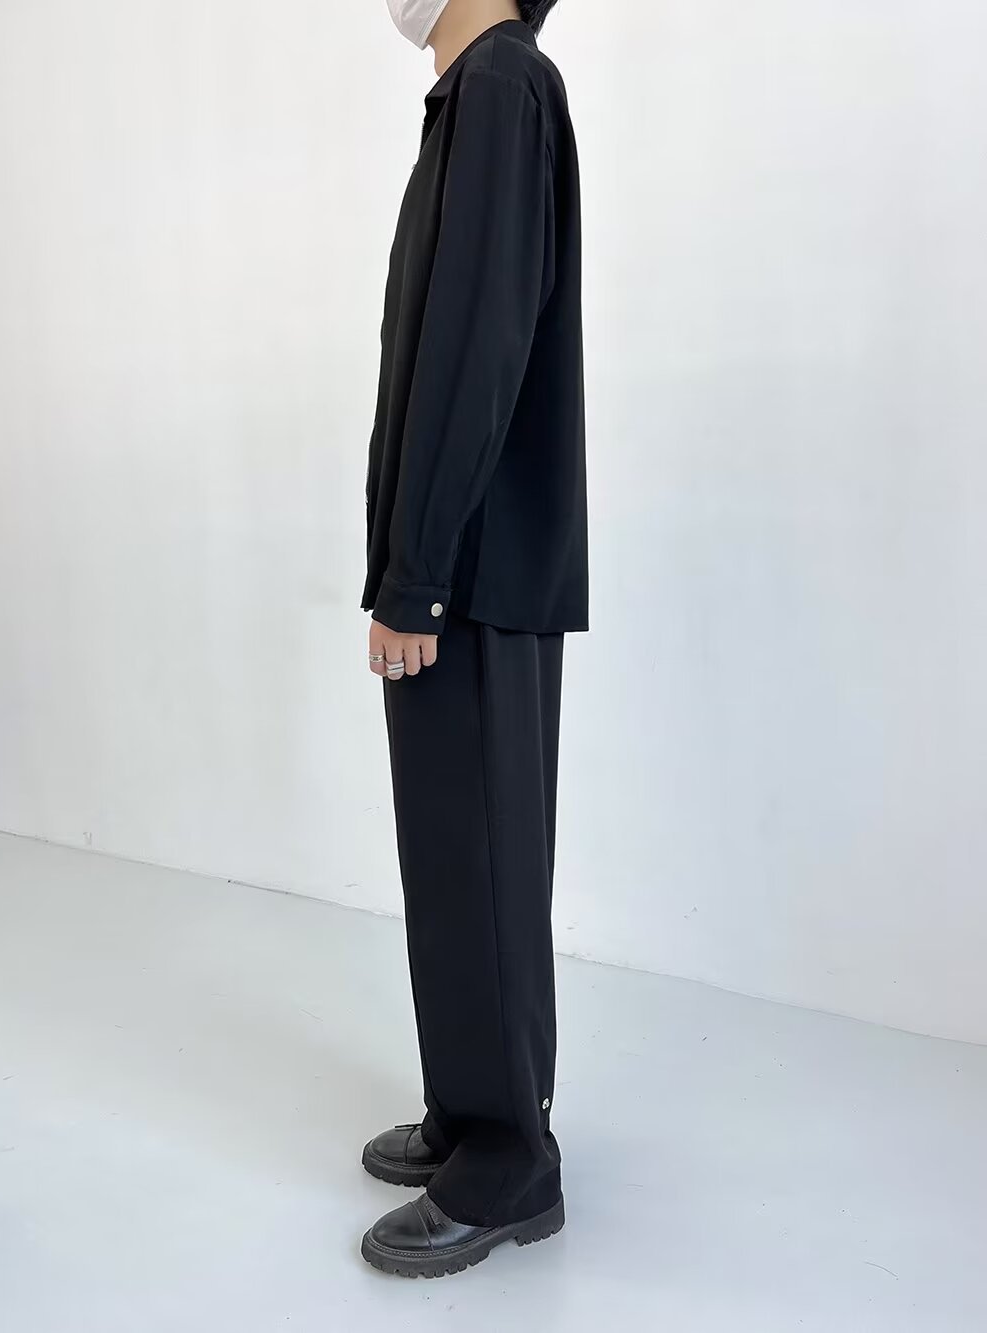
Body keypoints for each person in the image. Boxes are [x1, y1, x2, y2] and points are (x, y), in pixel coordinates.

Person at [359, 0, 587, 1278]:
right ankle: (469, 1106)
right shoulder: (476, 98)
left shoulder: (501, 87)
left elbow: (475, 351)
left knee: (484, 857)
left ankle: (510, 1162)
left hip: (476, 572)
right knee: (453, 854)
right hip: (458, 562)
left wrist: (418, 580)